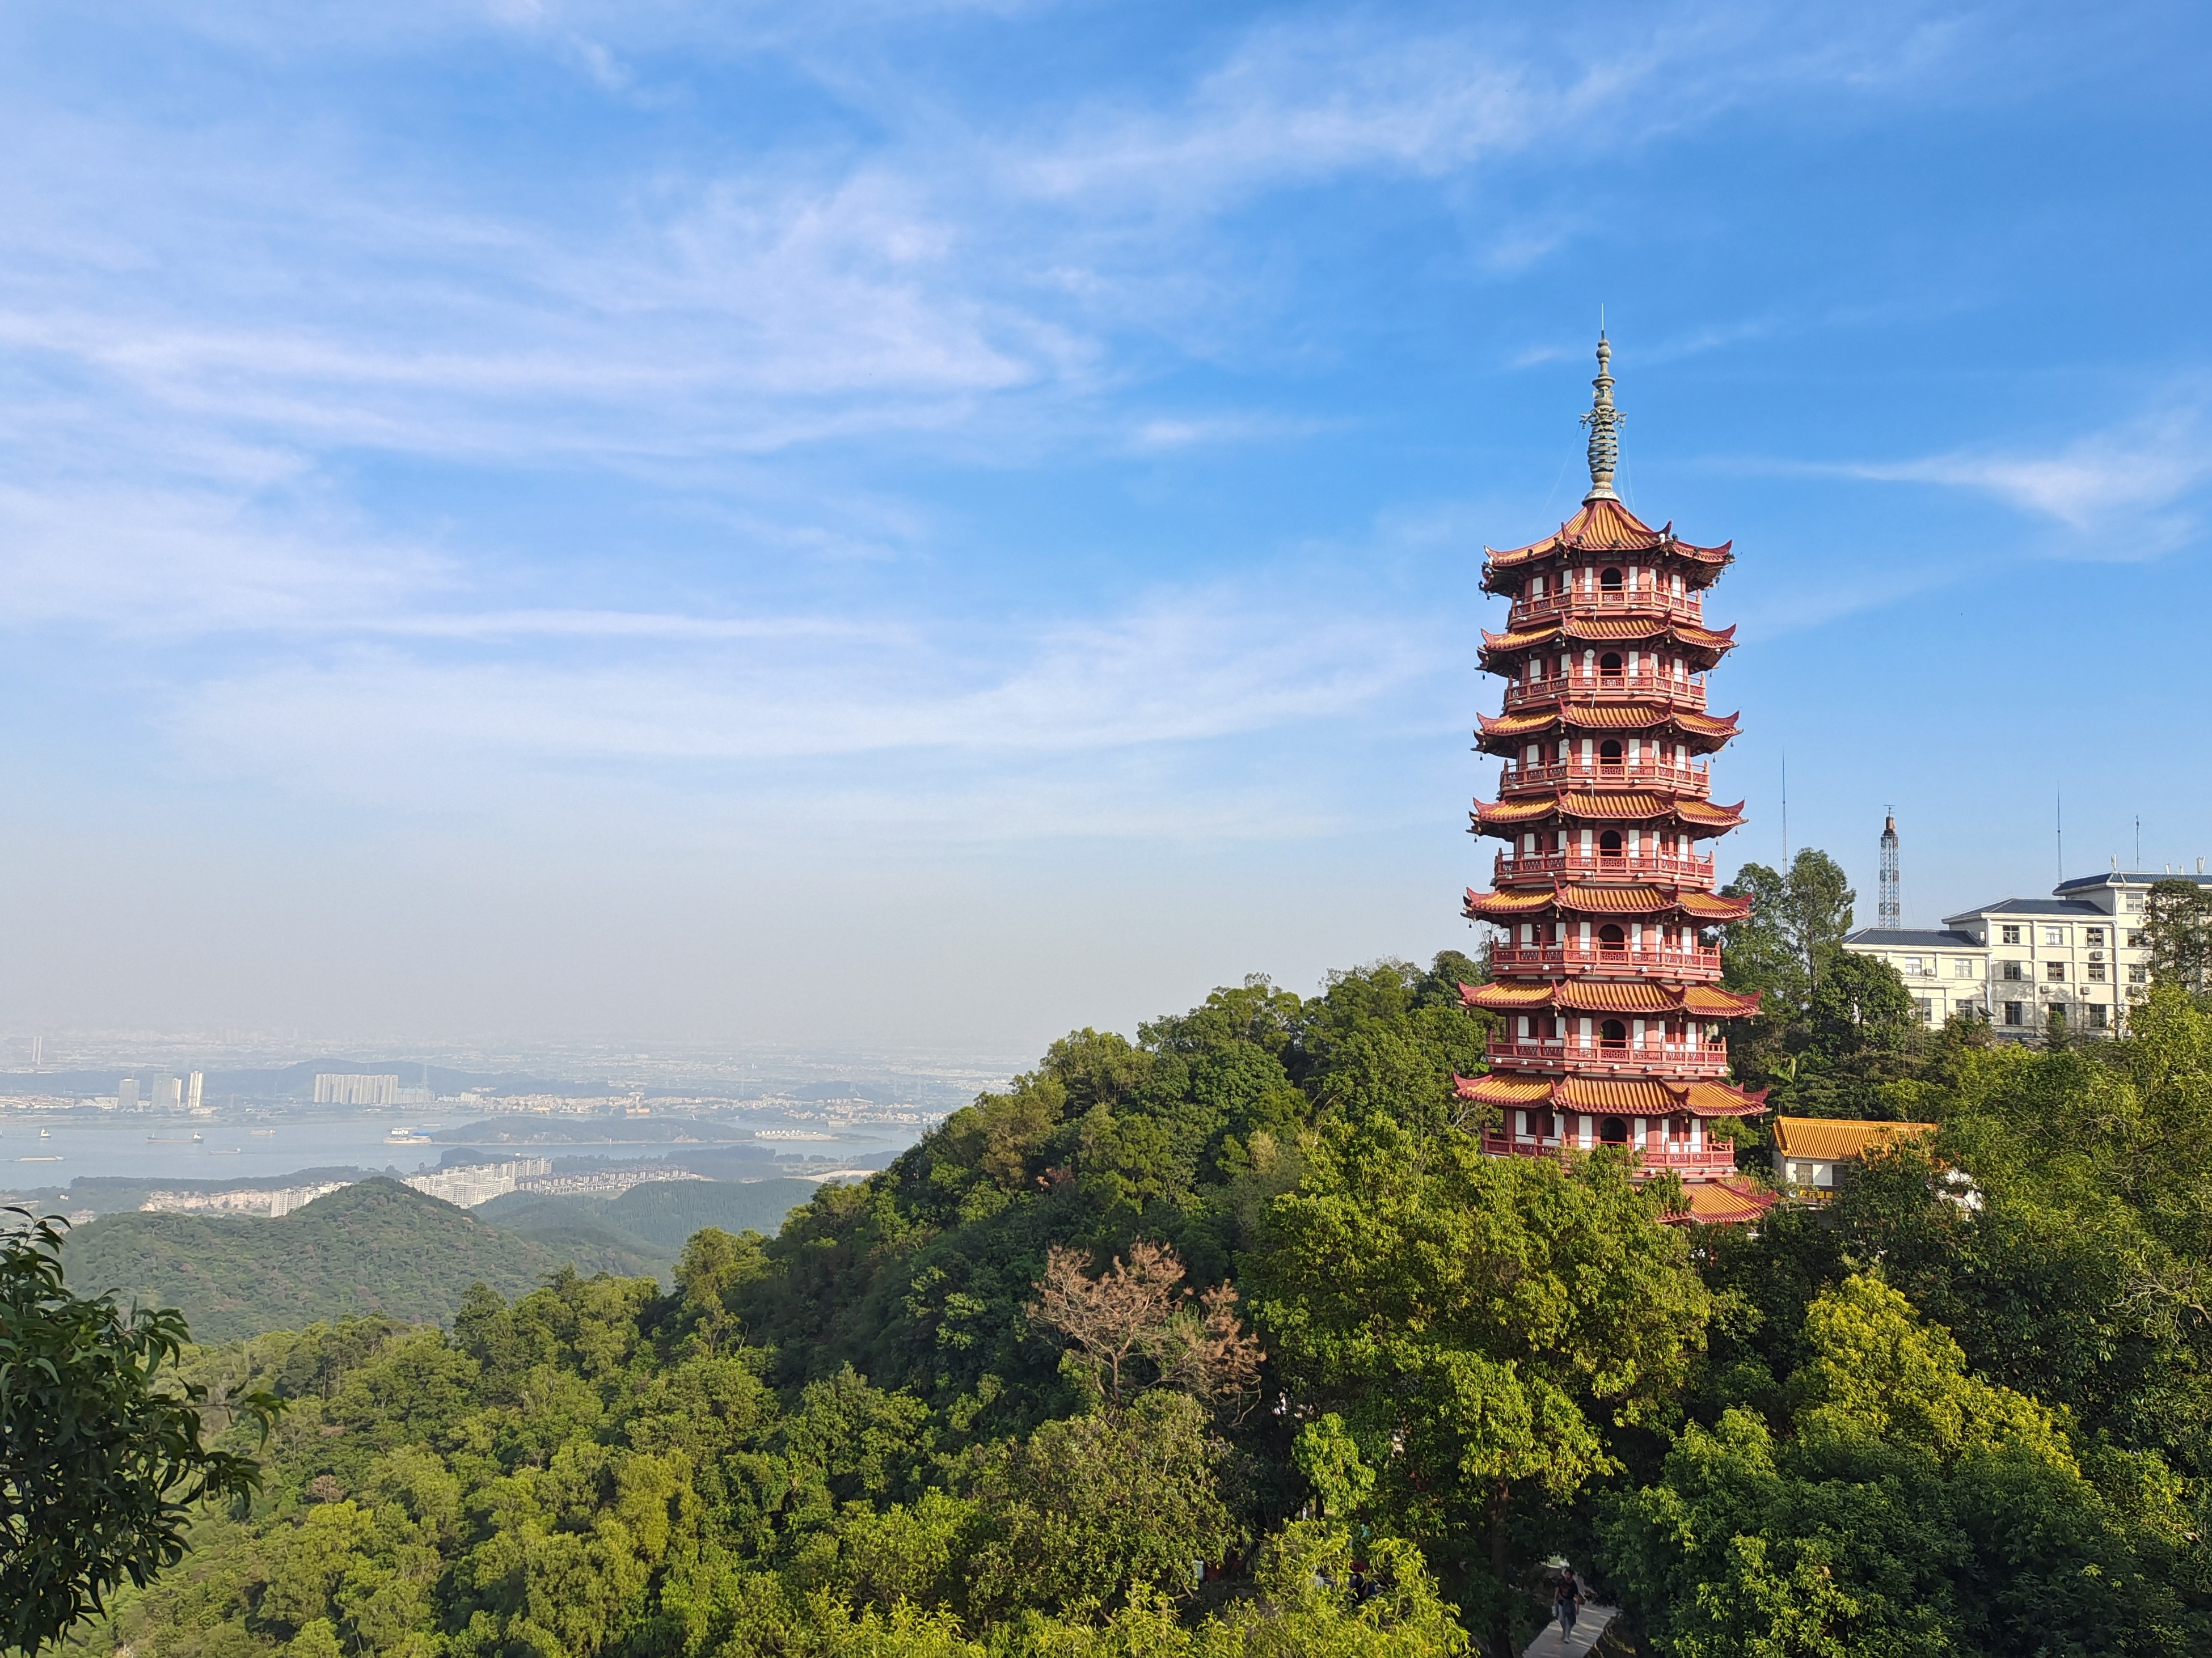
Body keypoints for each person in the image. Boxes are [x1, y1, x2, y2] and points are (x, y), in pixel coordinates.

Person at [1552, 1570, 1579, 1643]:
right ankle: (1564, 1630)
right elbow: (1558, 1590)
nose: (1567, 1576)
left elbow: (1577, 1596)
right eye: (1566, 1575)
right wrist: (1555, 1600)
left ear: (1571, 1576)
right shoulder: (1562, 1581)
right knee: (1561, 1618)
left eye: (1569, 1575)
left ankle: (1567, 1636)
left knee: (1569, 1620)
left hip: (1570, 1602)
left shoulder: (1573, 1584)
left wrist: (1578, 1608)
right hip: (1561, 1600)